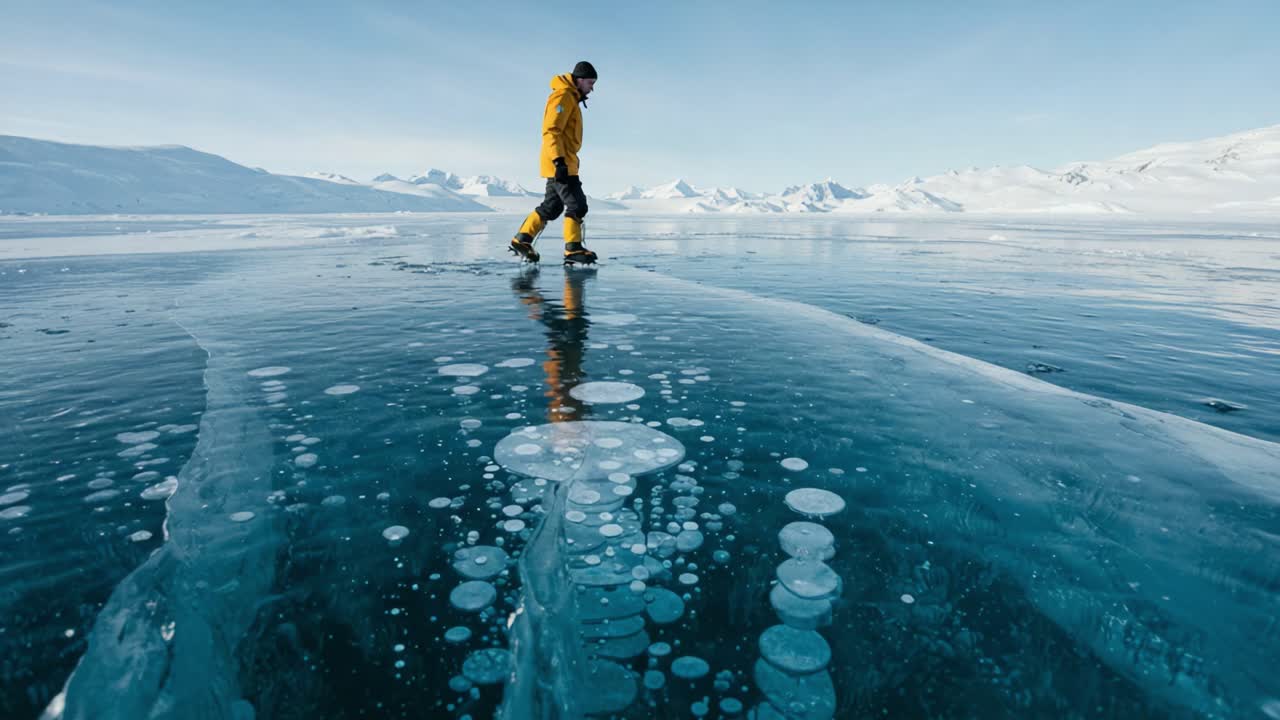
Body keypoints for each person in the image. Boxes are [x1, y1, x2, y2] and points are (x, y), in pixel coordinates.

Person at [509, 61, 599, 265]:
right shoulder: (563, 96)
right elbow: (551, 130)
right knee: (577, 205)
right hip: (561, 163)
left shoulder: (571, 97)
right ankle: (573, 249)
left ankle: (522, 239)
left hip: (563, 161)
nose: (592, 88)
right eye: (590, 83)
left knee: (551, 206)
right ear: (579, 80)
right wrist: (558, 161)